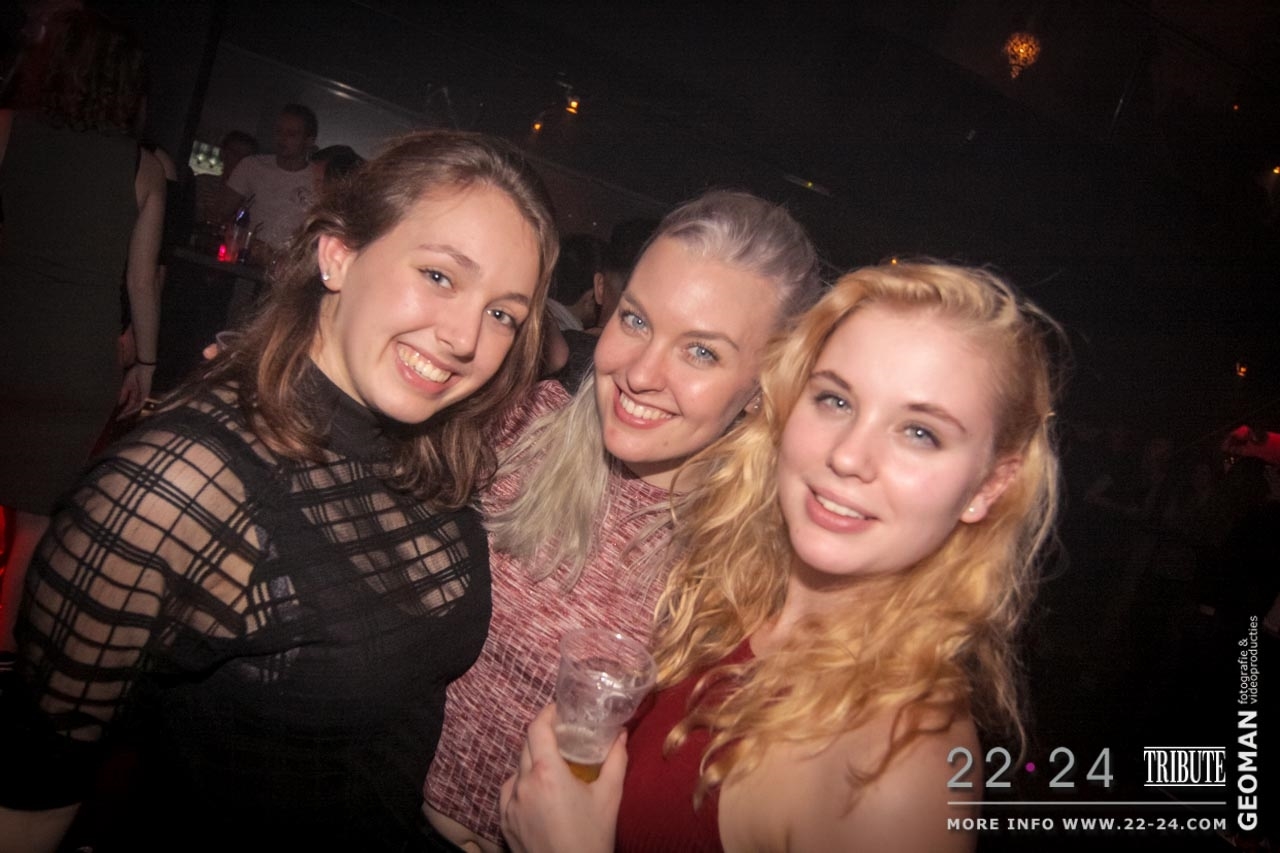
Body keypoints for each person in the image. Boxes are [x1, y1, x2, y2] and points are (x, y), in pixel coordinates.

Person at [0, 129, 559, 853]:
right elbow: (30, 797)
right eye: (439, 275)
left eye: (503, 313)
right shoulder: (180, 484)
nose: (465, 338)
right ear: (339, 254)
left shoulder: (435, 451)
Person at [500, 261, 1063, 852]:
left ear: (988, 487)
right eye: (835, 400)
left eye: (920, 433)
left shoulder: (897, 774)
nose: (848, 456)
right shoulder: (736, 599)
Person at [423, 190, 823, 852]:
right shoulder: (513, 427)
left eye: (701, 353)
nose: (640, 373)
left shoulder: (759, 571)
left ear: (763, 386)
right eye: (636, 321)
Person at [0, 7, 165, 650]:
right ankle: (6, 656)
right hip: (76, 361)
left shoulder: (7, 129)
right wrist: (145, 365)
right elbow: (142, 282)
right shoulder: (142, 168)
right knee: (35, 528)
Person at [219, 102, 318, 252]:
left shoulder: (318, 178)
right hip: (245, 256)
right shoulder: (252, 166)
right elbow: (220, 213)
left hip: (288, 262)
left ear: (309, 140)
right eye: (279, 131)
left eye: (291, 134)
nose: (282, 138)